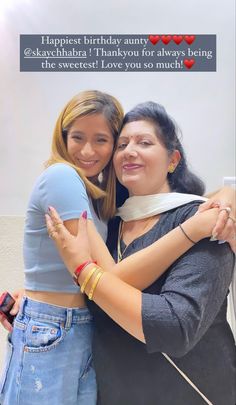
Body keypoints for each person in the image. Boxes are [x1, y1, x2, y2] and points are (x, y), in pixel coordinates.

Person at [0, 93, 235, 405]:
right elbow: (102, 283)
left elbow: (175, 327)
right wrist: (35, 295)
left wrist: (227, 195)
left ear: (173, 160)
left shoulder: (207, 220)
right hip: (111, 388)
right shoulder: (112, 221)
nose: (130, 152)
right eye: (122, 144)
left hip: (188, 393)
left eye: (144, 143)